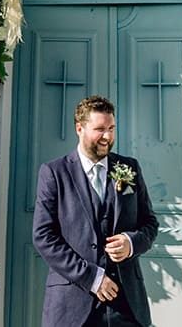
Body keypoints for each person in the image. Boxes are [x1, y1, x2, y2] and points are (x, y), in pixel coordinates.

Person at [32, 95, 158, 326]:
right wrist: (92, 277)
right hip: (73, 304)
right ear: (79, 128)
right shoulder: (54, 173)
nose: (108, 136)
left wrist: (131, 243)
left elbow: (149, 223)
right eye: (100, 129)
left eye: (111, 128)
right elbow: (43, 236)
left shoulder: (128, 167)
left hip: (127, 304)